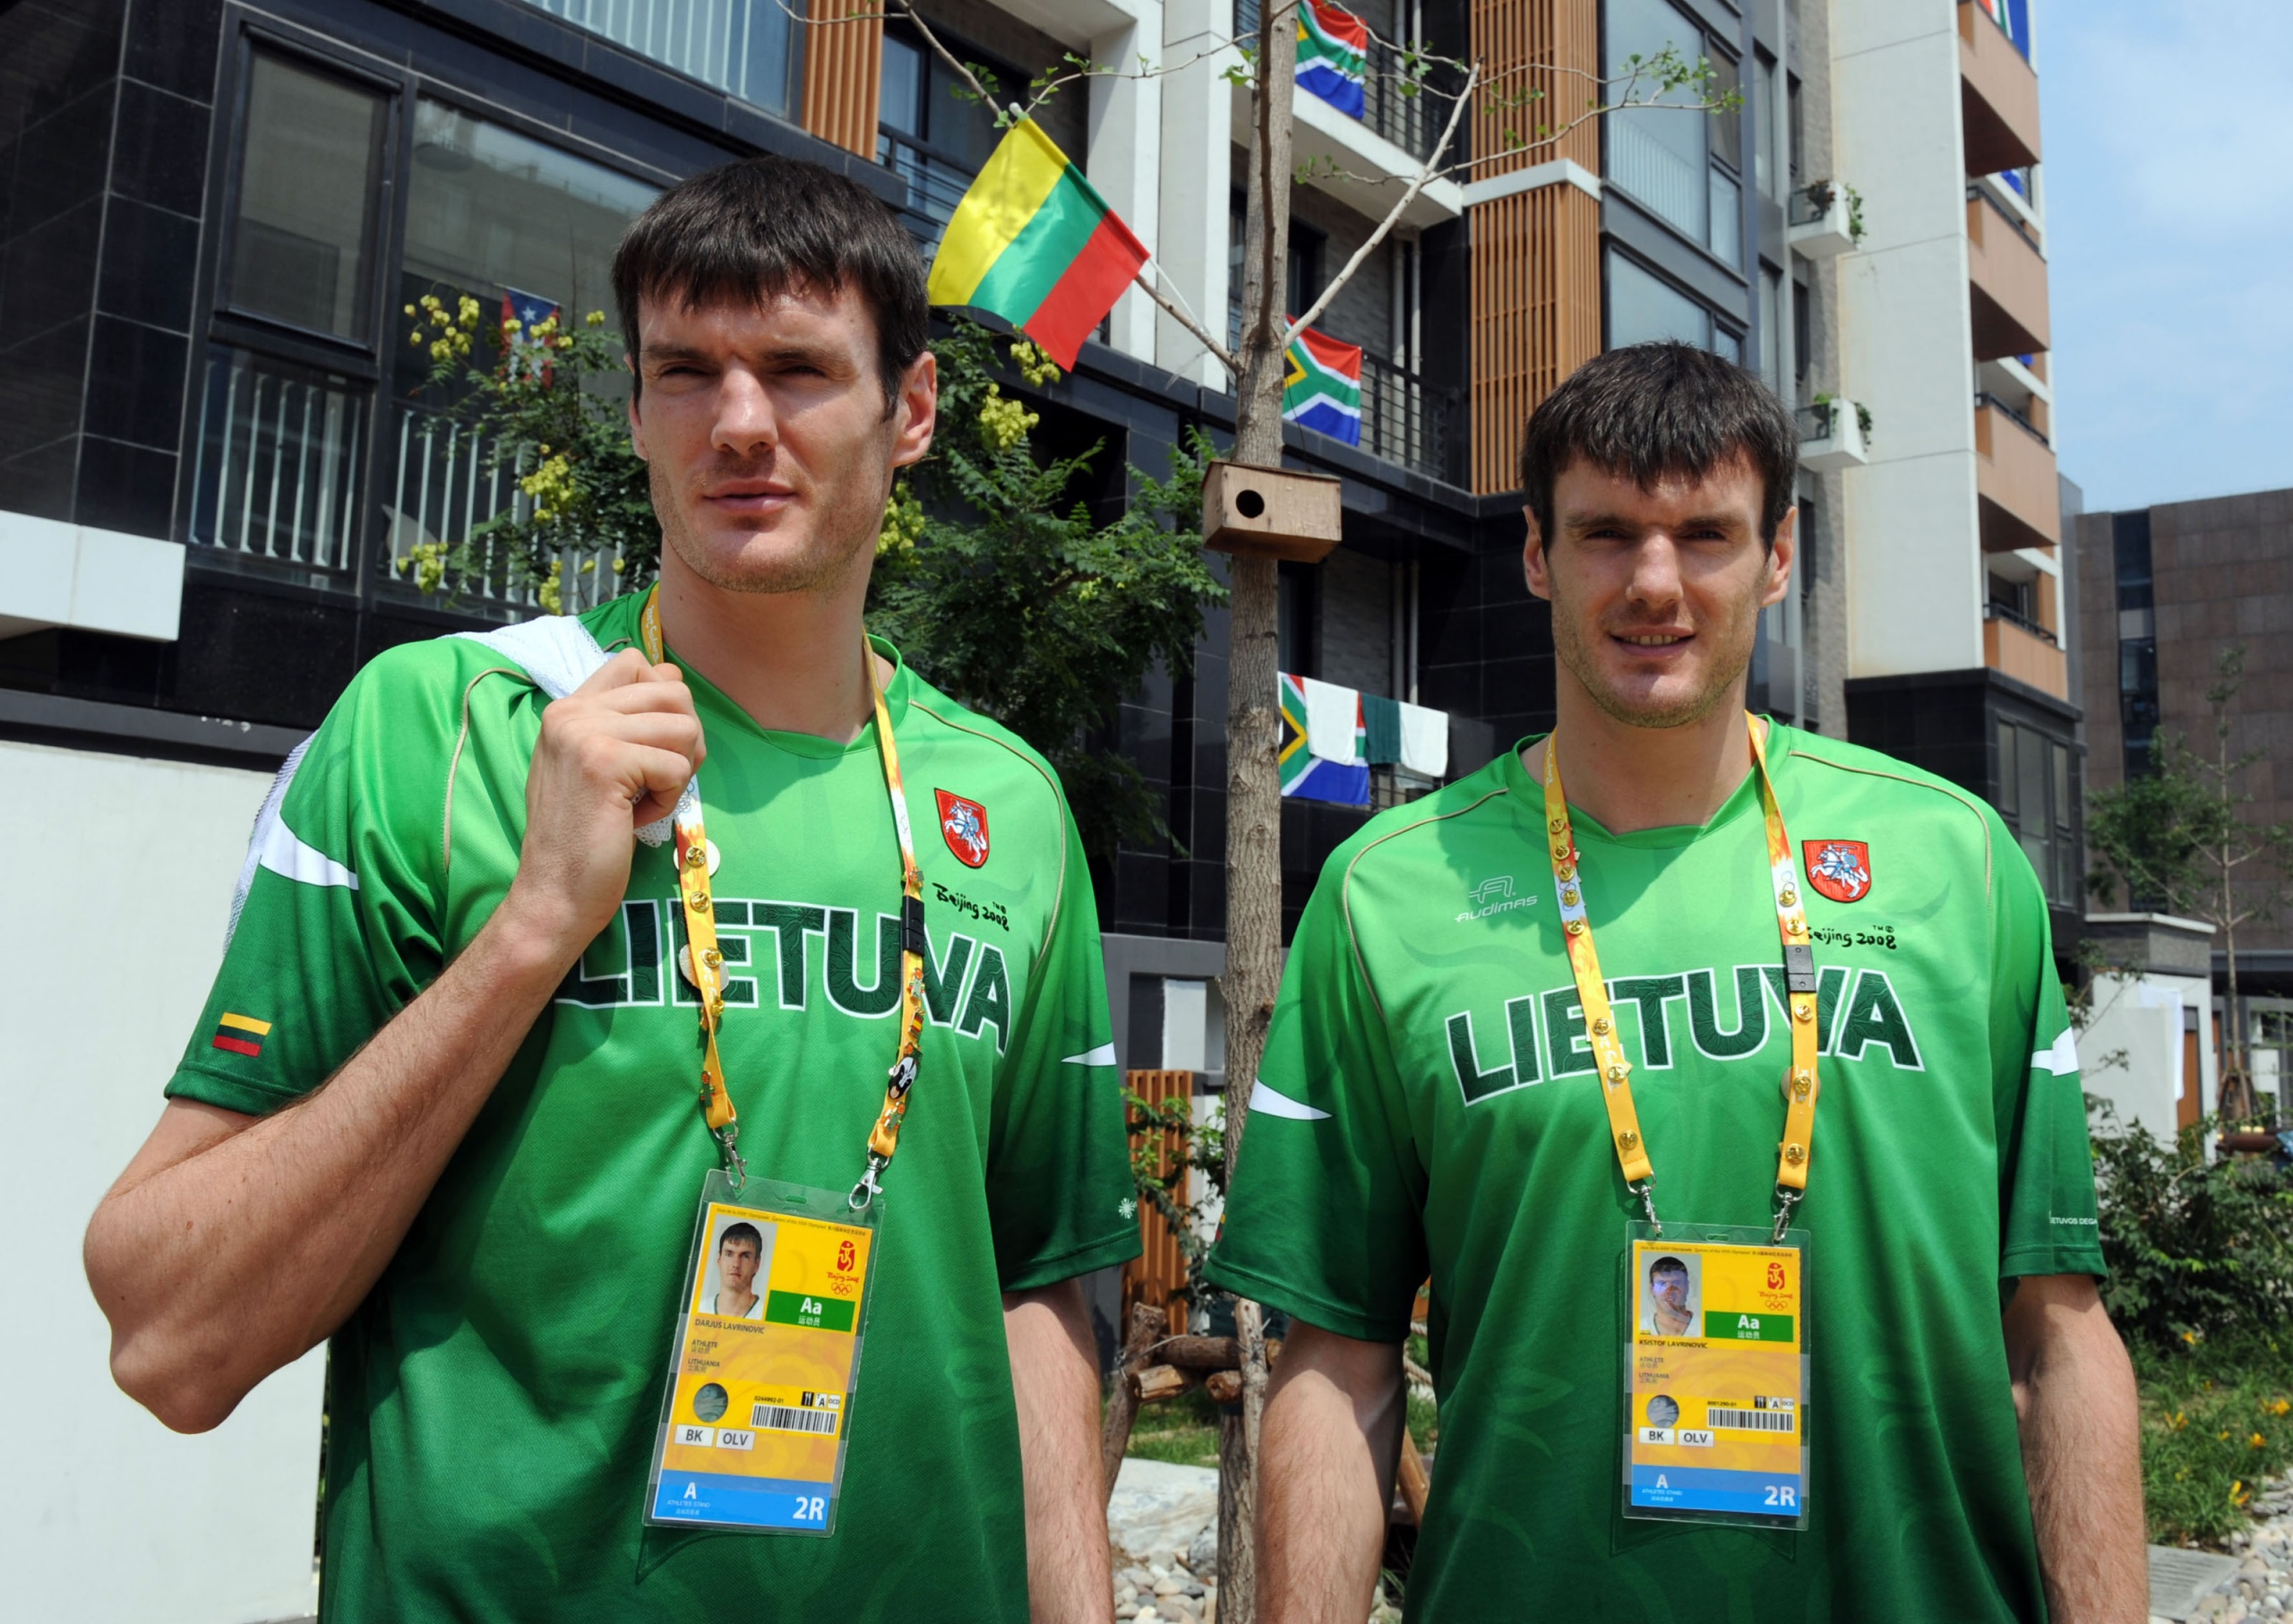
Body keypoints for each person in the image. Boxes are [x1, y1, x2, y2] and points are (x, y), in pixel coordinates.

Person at [85, 157, 1137, 1623]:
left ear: (909, 414)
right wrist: (530, 929)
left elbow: (1040, 1289)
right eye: (687, 372)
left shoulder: (1010, 808)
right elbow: (167, 1338)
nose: (741, 424)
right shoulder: (439, 727)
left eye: (796, 369)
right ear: (635, 410)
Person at [1205, 343, 2146, 1622]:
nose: (1655, 583)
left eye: (1705, 535)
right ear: (1536, 554)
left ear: (1777, 556)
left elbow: (2058, 1330)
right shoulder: (1387, 894)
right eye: (1606, 534)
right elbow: (1339, 1362)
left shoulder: (1955, 864)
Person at [713, 1221, 765, 1319]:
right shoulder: (699, 1308)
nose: (736, 1264)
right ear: (719, 1259)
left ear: (757, 1264)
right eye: (729, 1254)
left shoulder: (766, 1316)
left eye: (745, 1256)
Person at [1644, 1255, 1694, 1337]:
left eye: (1676, 1283)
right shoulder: (1638, 1328)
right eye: (1662, 1284)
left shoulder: (1706, 1328)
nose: (1669, 1291)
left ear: (1687, 1287)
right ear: (1652, 1289)